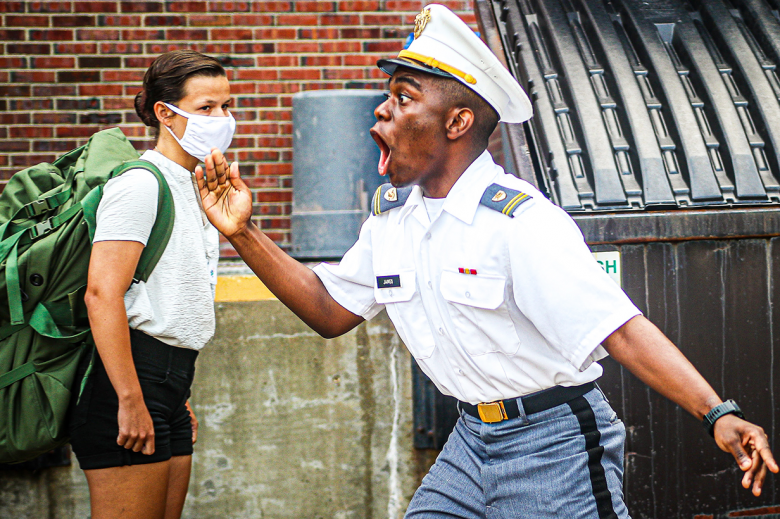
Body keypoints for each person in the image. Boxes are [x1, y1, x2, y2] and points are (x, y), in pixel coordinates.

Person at [195, 4, 777, 518]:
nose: (381, 112)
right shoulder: (393, 218)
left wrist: (717, 413)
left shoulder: (521, 223)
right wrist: (243, 232)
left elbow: (620, 331)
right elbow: (328, 310)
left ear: (457, 122)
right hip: (472, 438)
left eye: (403, 98)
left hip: (555, 444)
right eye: (386, 96)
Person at [68, 49, 233, 519]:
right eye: (206, 108)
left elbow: (167, 298)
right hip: (127, 385)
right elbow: (101, 293)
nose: (222, 119)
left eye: (226, 105)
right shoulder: (141, 184)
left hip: (169, 385)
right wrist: (131, 399)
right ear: (165, 113)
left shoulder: (192, 182)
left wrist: (174, 396)